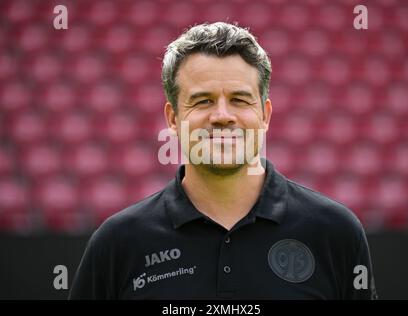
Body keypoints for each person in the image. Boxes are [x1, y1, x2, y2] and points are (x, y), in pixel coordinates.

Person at [69, 22, 377, 300]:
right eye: (203, 101)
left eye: (239, 100)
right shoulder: (117, 243)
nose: (221, 116)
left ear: (265, 115)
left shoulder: (336, 232)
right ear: (173, 118)